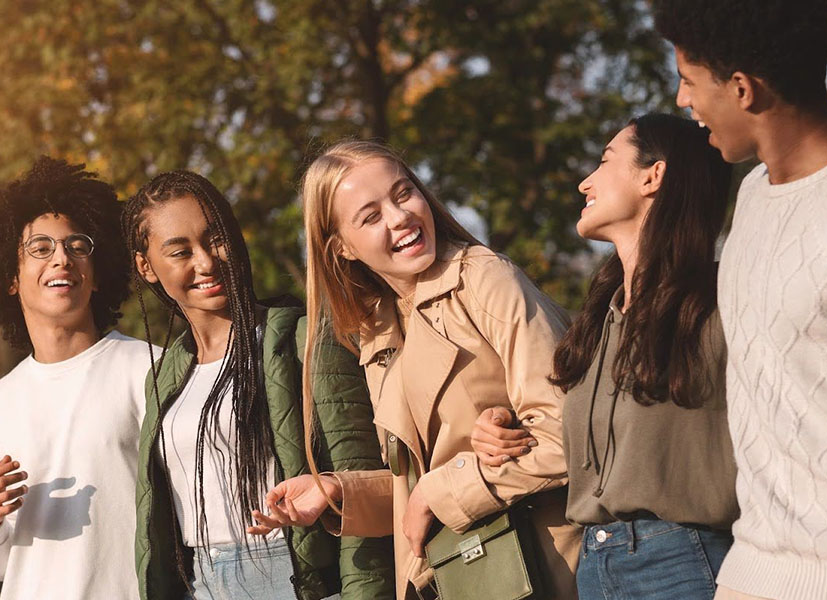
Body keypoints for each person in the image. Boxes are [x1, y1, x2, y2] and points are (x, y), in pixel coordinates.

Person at [246, 140, 581, 599]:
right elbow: (420, 492)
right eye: (371, 216)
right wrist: (338, 491)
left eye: (403, 193)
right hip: (457, 579)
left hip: (543, 569)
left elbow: (574, 432)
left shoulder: (483, 278)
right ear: (341, 247)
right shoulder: (377, 327)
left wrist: (438, 491)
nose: (400, 216)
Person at [653, 1, 827, 598]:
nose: (683, 100)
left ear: (742, 89)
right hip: (751, 568)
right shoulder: (757, 196)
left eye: (689, 80)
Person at [470, 113, 737, 599]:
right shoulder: (601, 320)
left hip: (684, 564)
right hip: (593, 566)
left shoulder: (723, 300)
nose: (584, 180)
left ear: (652, 176)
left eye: (605, 160)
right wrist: (502, 431)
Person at [122, 171, 393, 600]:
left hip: (292, 576)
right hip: (199, 580)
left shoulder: (305, 340)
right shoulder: (164, 376)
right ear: (146, 267)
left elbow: (360, 482)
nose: (207, 262)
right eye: (180, 251)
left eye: (216, 239)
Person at [0, 157, 149, 599]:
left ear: (97, 273)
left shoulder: (150, 369)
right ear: (12, 277)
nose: (61, 258)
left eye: (77, 245)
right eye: (40, 248)